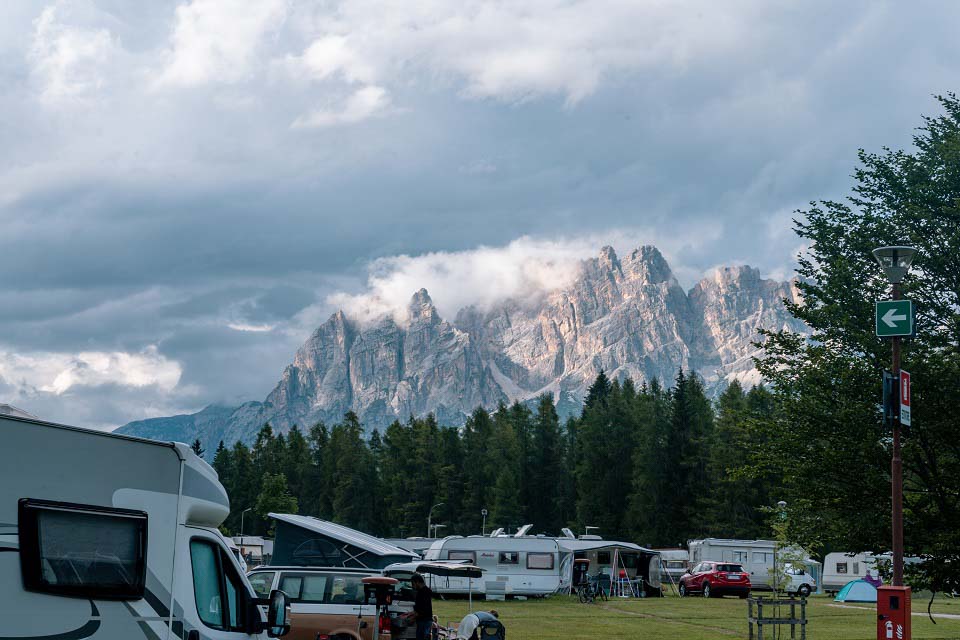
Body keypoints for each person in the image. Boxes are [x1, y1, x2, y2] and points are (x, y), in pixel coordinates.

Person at [411, 573, 434, 640]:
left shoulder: (424, 592)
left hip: (425, 621)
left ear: (417, 582)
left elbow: (423, 608)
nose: (412, 586)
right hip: (423, 620)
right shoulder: (424, 591)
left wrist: (413, 617)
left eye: (413, 584)